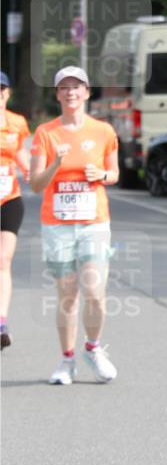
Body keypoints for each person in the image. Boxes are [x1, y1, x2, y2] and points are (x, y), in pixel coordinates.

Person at [30, 66, 120, 384]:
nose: (70, 92)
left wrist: (102, 176)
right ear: (57, 94)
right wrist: (56, 162)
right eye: (64, 87)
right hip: (58, 224)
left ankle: (93, 348)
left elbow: (115, 173)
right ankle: (66, 360)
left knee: (95, 292)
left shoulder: (103, 131)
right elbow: (36, 184)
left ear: (86, 92)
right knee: (68, 295)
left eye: (76, 86)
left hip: (94, 222)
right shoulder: (46, 133)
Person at [0, 72, 31, 349]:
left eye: (1, 89)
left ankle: (1, 323)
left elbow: (21, 153)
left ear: (8, 93)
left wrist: (32, 171)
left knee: (3, 259)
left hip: (9, 198)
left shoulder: (17, 123)